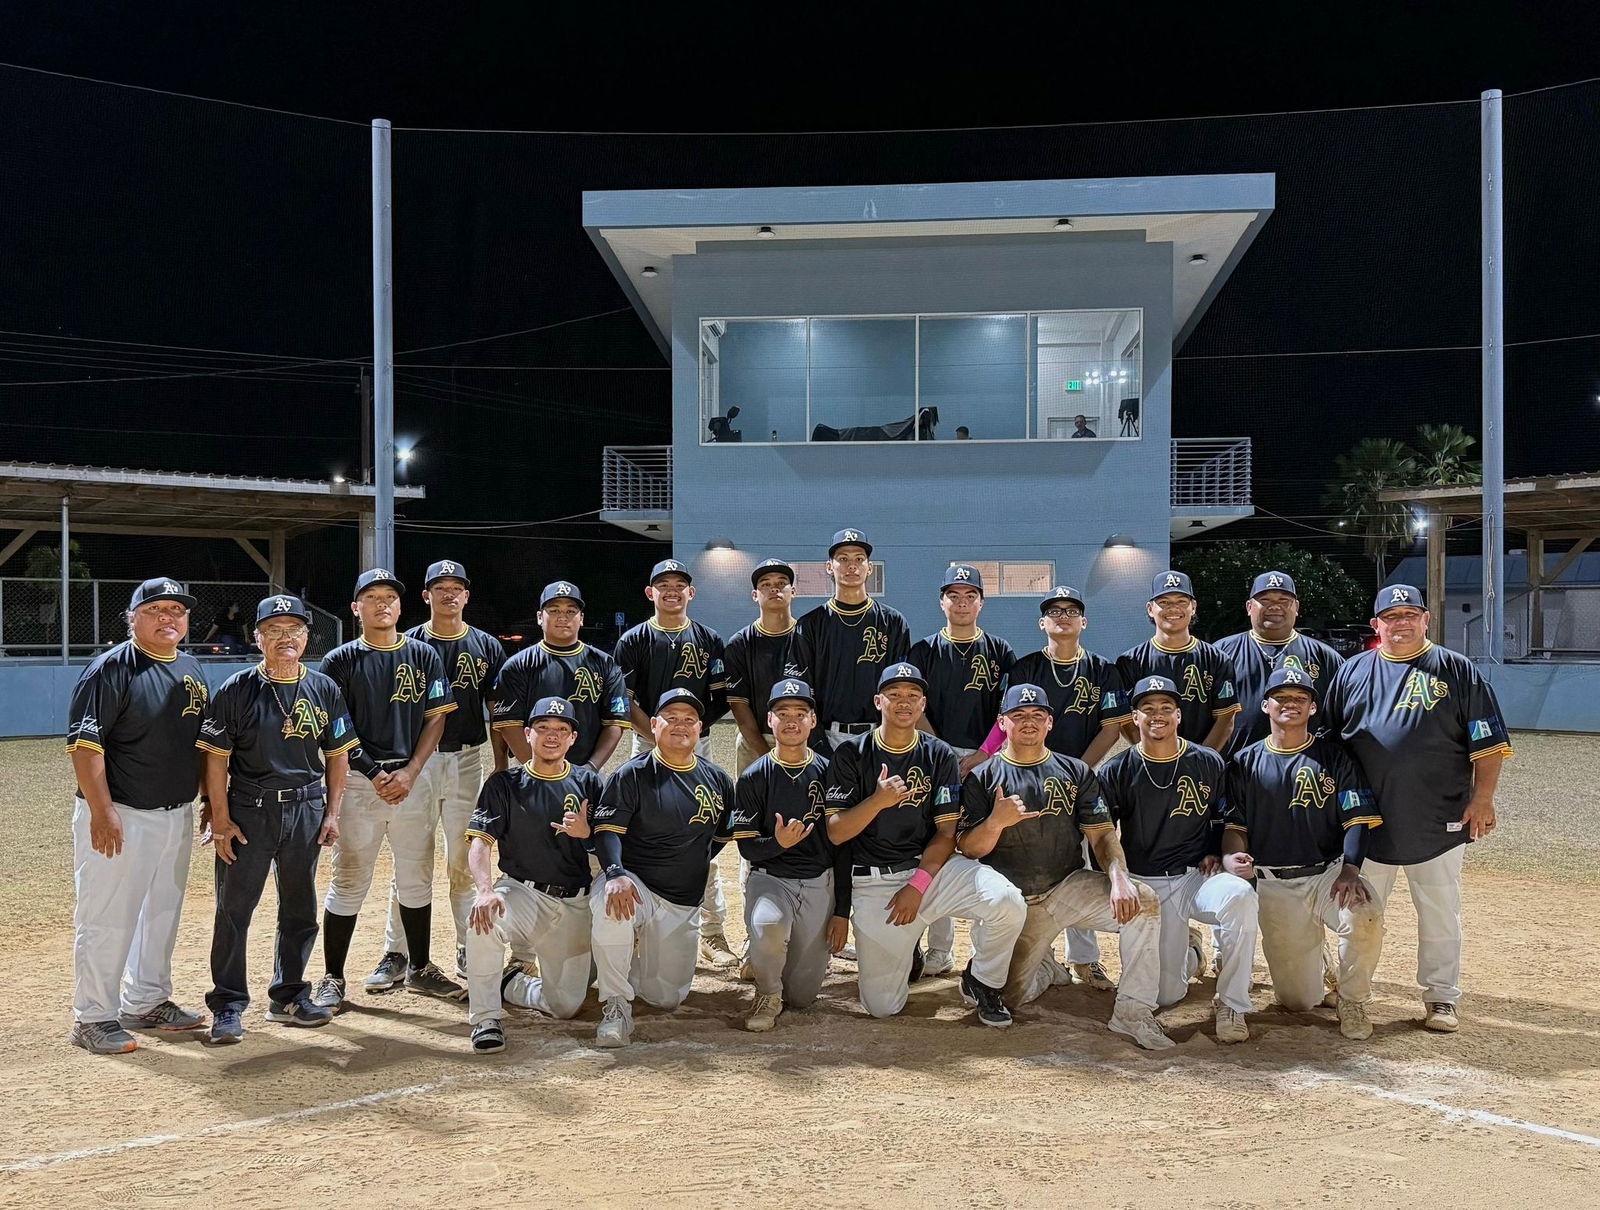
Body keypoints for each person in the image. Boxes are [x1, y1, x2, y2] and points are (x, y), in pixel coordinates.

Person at [1319, 584, 1512, 1034]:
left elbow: (1487, 742)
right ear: (1376, 625)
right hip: (1366, 822)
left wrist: (1482, 799)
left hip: (1440, 816)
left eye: (1410, 613)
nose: (1401, 622)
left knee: (1441, 911)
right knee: (1360, 916)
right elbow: (1327, 745)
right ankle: (1353, 996)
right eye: (1391, 616)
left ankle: (1441, 997)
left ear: (1426, 620)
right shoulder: (1351, 673)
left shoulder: (1456, 670)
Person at [956, 683, 1170, 1050]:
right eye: (1018, 716)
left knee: (1143, 902)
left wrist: (1118, 878)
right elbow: (969, 849)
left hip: (1067, 886)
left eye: (1037, 715)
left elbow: (1102, 835)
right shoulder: (983, 777)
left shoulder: (1074, 771)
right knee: (1004, 998)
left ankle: (1133, 1013)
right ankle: (1043, 968)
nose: (1028, 722)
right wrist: (995, 822)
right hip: (1015, 905)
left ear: (1050, 723)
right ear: (1002, 723)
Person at [195, 594, 359, 1044]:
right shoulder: (237, 689)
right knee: (234, 910)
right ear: (258, 636)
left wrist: (333, 813)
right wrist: (222, 819)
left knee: (300, 908)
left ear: (307, 636)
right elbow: (215, 761)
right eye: (274, 631)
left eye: (294, 631)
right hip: (251, 809)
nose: (285, 639)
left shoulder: (324, 687)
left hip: (306, 808)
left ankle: (288, 994)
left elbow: (338, 755)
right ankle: (228, 1004)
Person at [824, 663, 1026, 1025]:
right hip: (875, 885)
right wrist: (877, 802)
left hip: (929, 874)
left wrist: (918, 885)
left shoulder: (939, 754)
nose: (904, 702)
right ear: (878, 701)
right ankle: (908, 948)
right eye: (895, 695)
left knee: (1007, 902)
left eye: (913, 696)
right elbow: (837, 832)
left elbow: (947, 832)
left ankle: (982, 982)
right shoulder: (851, 754)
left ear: (922, 705)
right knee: (882, 1006)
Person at [64, 577, 210, 1053]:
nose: (169, 618)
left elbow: (202, 745)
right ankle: (93, 1016)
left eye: (177, 610)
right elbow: (85, 746)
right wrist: (102, 812)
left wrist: (208, 798)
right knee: (107, 917)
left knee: (160, 913)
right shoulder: (111, 669)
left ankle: (146, 1001)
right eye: (156, 609)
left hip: (175, 812)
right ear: (132, 618)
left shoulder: (191, 667)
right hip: (122, 814)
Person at [312, 568, 460, 1013]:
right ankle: (333, 976)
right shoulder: (339, 660)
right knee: (350, 880)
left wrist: (413, 771)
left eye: (389, 597)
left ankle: (419, 967)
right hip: (360, 783)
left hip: (414, 779)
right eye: (372, 597)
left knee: (416, 877)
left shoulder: (422, 654)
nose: (382, 604)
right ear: (356, 608)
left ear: (400, 606)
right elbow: (338, 729)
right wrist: (375, 773)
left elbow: (437, 716)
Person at [977, 585, 1131, 991]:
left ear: (1084, 621)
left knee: (1078, 864)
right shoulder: (1026, 667)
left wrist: (1078, 770)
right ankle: (1038, 955)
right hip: (1023, 772)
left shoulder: (1103, 669)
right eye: (1054, 611)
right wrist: (987, 756)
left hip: (1075, 776)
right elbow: (1004, 720)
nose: (1063, 616)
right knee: (1027, 859)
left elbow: (1112, 724)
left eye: (1071, 610)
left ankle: (1085, 959)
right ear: (1042, 623)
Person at [1222, 667, 1385, 1041]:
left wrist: (1351, 868)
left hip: (1328, 873)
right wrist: (1235, 857)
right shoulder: (1245, 762)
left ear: (1313, 708)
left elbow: (1356, 819)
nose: (1290, 704)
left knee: (1365, 915)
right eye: (1282, 698)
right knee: (1298, 1001)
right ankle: (1320, 964)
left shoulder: (1335, 757)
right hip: (1273, 881)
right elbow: (1235, 825)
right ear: (1265, 706)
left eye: (1300, 699)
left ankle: (1353, 999)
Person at [1098, 676, 1259, 1043]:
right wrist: (1118, 879)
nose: (1158, 716)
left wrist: (1223, 854)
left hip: (1195, 877)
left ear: (1179, 715)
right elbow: (1105, 835)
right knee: (1167, 995)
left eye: (1166, 708)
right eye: (1148, 709)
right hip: (1148, 882)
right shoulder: (1117, 770)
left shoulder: (1208, 762)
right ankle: (1191, 953)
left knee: (1240, 896)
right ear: (1134, 718)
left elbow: (1227, 819)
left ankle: (1233, 1002)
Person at [377, 560, 509, 981]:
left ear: (467, 596)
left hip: (468, 759)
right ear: (426, 595)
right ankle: (396, 953)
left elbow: (499, 713)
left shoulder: (487, 646)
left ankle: (468, 947)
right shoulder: (408, 643)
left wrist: (502, 766)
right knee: (410, 858)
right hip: (418, 763)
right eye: (440, 587)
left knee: (463, 862)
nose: (449, 594)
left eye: (457, 587)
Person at [589, 689, 737, 1048]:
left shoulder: (718, 780)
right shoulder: (632, 774)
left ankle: (606, 967)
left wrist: (690, 862)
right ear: (653, 725)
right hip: (635, 884)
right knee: (612, 906)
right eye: (670, 718)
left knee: (665, 997)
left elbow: (720, 838)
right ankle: (615, 1005)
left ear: (701, 729)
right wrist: (615, 874)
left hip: (681, 900)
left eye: (689, 720)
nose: (680, 725)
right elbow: (607, 831)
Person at [461, 696, 605, 1054]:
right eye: (542, 728)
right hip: (522, 893)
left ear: (573, 738)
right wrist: (484, 889)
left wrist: (588, 835)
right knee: (485, 917)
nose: (551, 736)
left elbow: (612, 851)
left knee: (566, 1006)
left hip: (575, 902)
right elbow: (480, 843)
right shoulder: (504, 784)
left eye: (561, 730)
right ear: (527, 734)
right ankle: (485, 1018)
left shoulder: (591, 783)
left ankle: (507, 982)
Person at [612, 558, 735, 967]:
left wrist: (688, 735)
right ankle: (634, 925)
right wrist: (657, 734)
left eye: (679, 584)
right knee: (639, 832)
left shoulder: (709, 639)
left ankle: (713, 932)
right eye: (662, 584)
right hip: (645, 745)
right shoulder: (633, 640)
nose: (671, 590)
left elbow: (719, 699)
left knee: (702, 833)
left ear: (691, 593)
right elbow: (623, 700)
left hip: (696, 745)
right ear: (650, 593)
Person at [907, 564, 1016, 974]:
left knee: (981, 844)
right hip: (934, 756)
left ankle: (985, 953)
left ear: (981, 602)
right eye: (954, 595)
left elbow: (1008, 710)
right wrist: (940, 752)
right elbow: (912, 705)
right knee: (935, 841)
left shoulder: (1001, 651)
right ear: (942, 602)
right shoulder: (923, 651)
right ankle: (938, 948)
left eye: (971, 595)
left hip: (986, 760)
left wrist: (984, 754)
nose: (963, 602)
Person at [727, 680, 851, 1031]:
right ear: (770, 720)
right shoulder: (754, 777)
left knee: (801, 997)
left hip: (818, 882)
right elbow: (748, 847)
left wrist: (842, 911)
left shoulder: (831, 772)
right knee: (769, 927)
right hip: (771, 879)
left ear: (813, 721)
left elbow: (843, 847)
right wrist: (779, 843)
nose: (792, 721)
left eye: (800, 713)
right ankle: (766, 990)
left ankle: (773, 963)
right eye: (783, 713)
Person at [789, 529, 911, 752]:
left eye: (859, 559)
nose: (851, 566)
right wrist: (817, 742)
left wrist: (894, 734)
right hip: (826, 734)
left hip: (880, 734)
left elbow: (901, 687)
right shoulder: (810, 625)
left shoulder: (893, 622)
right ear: (829, 567)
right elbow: (800, 690)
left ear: (870, 568)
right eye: (843, 559)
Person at [491, 581, 629, 772]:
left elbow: (615, 722)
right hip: (531, 772)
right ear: (540, 617)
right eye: (554, 610)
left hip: (587, 770)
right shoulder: (517, 665)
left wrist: (591, 768)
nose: (563, 617)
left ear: (581, 618)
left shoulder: (604, 663)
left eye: (571, 611)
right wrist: (536, 770)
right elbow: (509, 725)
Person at [1214, 571, 1345, 756]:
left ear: (1296, 607)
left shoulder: (1325, 657)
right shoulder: (1220, 653)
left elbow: (1340, 719)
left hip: (1307, 769)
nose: (1275, 606)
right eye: (1265, 600)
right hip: (1236, 771)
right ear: (1249, 606)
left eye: (1284, 600)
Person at [1118, 570, 1240, 752]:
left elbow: (1225, 720)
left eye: (1181, 601)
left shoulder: (1217, 659)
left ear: (1194, 607)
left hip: (1204, 767)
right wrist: (1152, 756)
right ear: (1150, 609)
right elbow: (1126, 720)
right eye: (1164, 602)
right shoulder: (1130, 661)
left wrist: (1202, 760)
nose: (1173, 609)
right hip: (1151, 765)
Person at [723, 558, 802, 774]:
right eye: (765, 584)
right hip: (755, 740)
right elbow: (739, 705)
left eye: (781, 583)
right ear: (754, 595)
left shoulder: (809, 637)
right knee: (752, 806)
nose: (774, 588)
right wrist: (766, 755)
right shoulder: (740, 643)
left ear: (793, 591)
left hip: (803, 738)